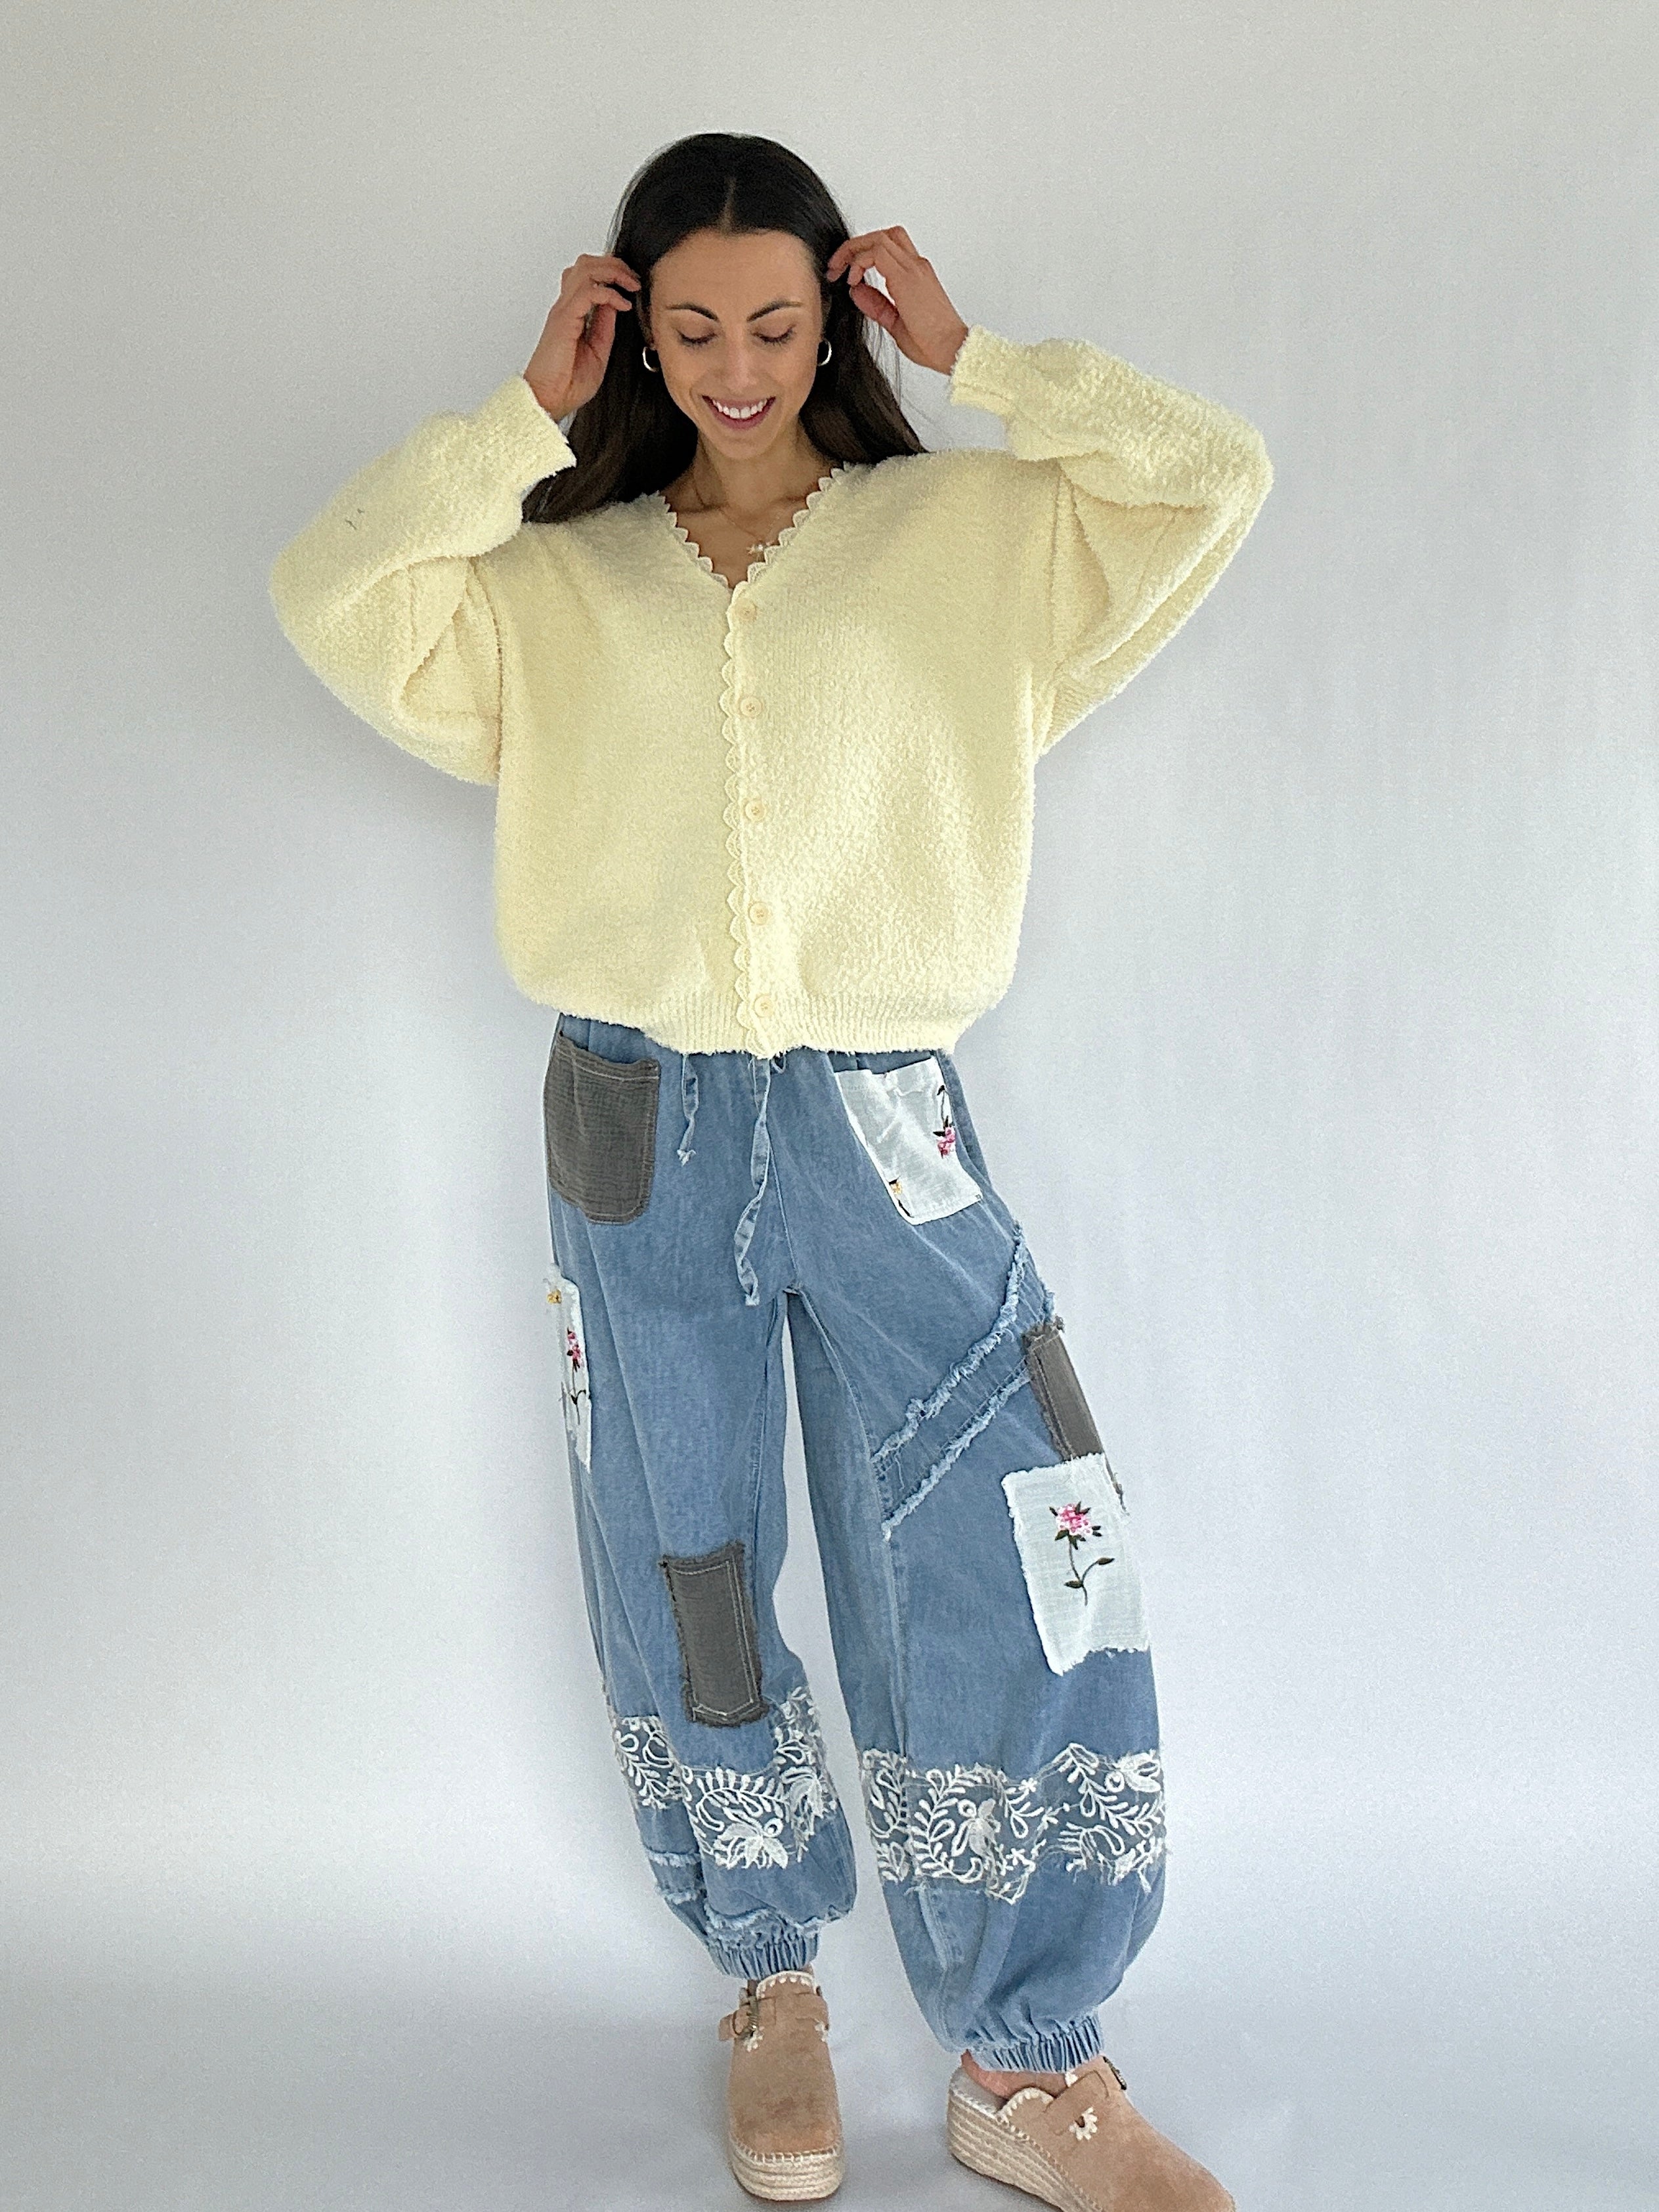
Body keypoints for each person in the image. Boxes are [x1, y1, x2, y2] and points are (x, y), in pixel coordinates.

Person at [268, 130, 1272, 2212]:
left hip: (884, 1103)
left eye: (783, 320)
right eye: (696, 325)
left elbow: (1215, 475)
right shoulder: (556, 577)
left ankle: (1029, 2056)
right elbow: (330, 596)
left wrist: (985, 351)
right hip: (633, 1110)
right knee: (688, 1550)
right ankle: (772, 1987)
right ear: (635, 322)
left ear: (840, 311)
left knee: (1006, 1526)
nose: (740, 366)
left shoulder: (971, 540)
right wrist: (517, 425)